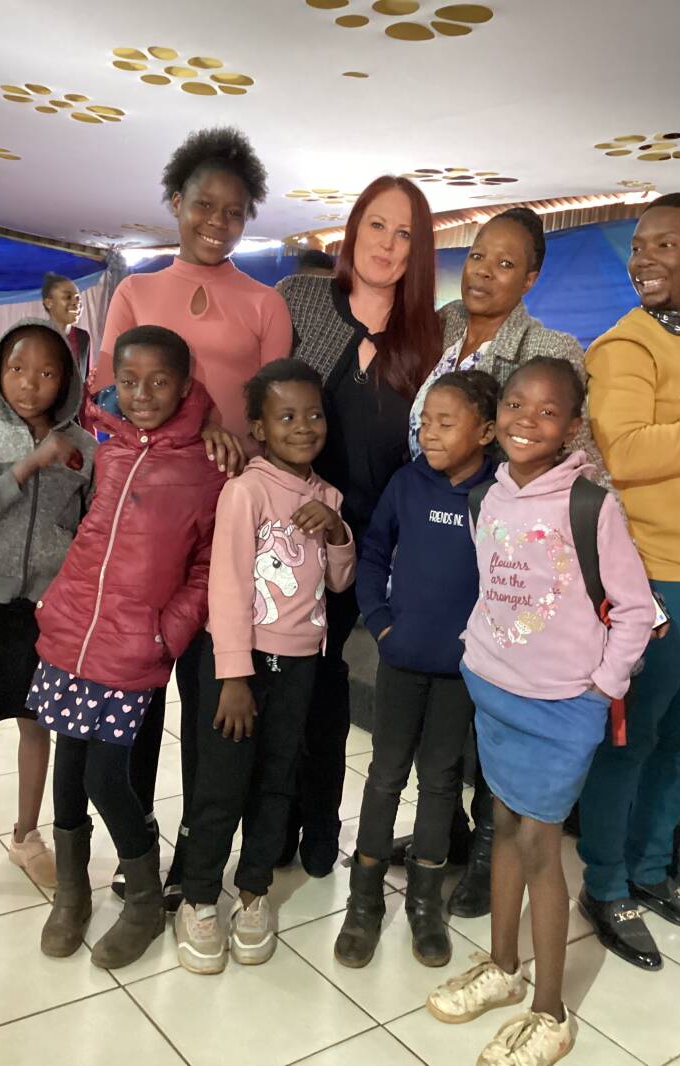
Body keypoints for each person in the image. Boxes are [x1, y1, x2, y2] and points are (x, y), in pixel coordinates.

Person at [426, 357, 653, 1066]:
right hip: (495, 692)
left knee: (538, 847)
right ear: (496, 417)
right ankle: (503, 966)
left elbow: (636, 610)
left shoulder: (590, 507)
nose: (528, 420)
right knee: (500, 824)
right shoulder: (486, 500)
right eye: (516, 405)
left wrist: (601, 686)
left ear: (573, 427)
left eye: (548, 411)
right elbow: (494, 587)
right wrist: (478, 652)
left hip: (561, 707)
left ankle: (550, 1011)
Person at [94, 127, 292, 907]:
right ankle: (135, 842)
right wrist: (196, 416)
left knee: (211, 698)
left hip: (231, 525)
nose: (218, 221)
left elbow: (276, 415)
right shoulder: (136, 292)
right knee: (138, 693)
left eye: (235, 212)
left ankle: (195, 852)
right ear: (176, 202)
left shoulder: (265, 303)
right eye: (205, 204)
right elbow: (109, 400)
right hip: (149, 523)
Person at [405, 206, 607, 920]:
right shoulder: (442, 330)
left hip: (511, 562)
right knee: (446, 702)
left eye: (505, 262)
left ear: (532, 277)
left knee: (496, 705)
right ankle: (447, 834)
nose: (484, 272)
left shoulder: (550, 346)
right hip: (437, 542)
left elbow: (583, 460)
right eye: (477, 256)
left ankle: (492, 851)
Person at [578, 193, 680, 969]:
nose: (642, 259)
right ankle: (605, 884)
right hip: (664, 582)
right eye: (638, 246)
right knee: (634, 740)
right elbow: (632, 453)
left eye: (662, 245)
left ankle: (650, 872)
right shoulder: (625, 345)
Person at [31, 325, 224, 969]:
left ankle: (143, 900)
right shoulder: (107, 448)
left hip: (133, 648)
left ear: (186, 386)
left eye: (159, 382)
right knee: (68, 768)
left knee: (106, 776)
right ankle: (72, 893)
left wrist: (168, 632)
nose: (142, 395)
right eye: (130, 381)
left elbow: (207, 567)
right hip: (71, 634)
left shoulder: (206, 467)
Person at [277, 174, 440, 876]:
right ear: (353, 228)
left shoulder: (433, 333)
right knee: (285, 679)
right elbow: (265, 403)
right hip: (293, 529)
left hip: (376, 545)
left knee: (331, 682)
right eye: (377, 225)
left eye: (405, 234)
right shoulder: (301, 299)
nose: (388, 245)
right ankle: (272, 827)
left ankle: (321, 827)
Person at [175, 359, 355, 973]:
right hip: (240, 665)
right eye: (286, 416)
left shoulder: (329, 497)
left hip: (299, 665)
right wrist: (232, 676)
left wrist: (338, 531)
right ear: (258, 427)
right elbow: (226, 588)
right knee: (221, 784)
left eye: (314, 415)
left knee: (278, 778)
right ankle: (200, 899)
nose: (303, 426)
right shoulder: (245, 491)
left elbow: (339, 581)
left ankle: (253, 893)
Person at [334, 370, 497, 971]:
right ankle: (364, 901)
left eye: (445, 423)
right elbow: (375, 552)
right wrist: (380, 622)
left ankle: (425, 904)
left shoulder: (497, 496)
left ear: (485, 432)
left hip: (461, 674)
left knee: (440, 781)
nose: (429, 433)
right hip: (401, 661)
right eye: (425, 421)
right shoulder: (407, 484)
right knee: (384, 777)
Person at [0, 319, 95, 921]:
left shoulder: (83, 446)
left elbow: (86, 525)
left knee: (38, 726)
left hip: (50, 612)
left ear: (66, 381)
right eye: (17, 369)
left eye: (47, 372)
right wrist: (30, 464)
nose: (30, 383)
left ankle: (27, 837)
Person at [42, 273, 91, 382]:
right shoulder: (36, 338)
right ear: (49, 303)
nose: (75, 303)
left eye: (78, 298)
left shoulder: (83, 338)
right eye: (67, 297)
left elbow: (83, 380)